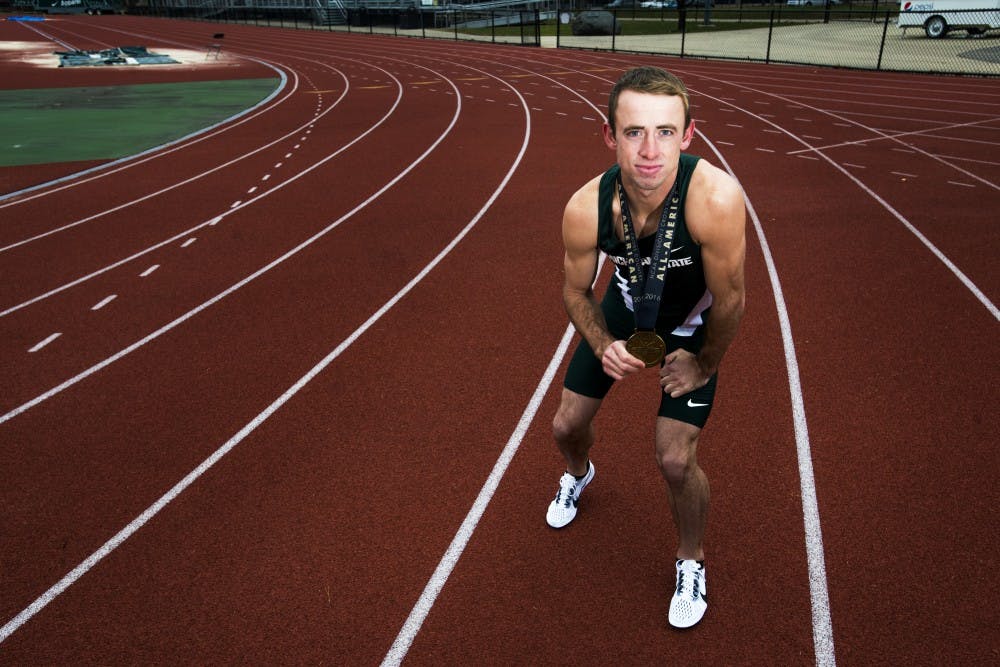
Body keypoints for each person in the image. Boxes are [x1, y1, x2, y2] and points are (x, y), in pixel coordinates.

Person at [546, 66, 746, 629]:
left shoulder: (717, 200)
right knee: (564, 428)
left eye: (665, 131)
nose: (650, 150)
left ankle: (691, 558)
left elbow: (731, 302)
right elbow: (573, 289)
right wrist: (602, 341)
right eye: (634, 132)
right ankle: (580, 473)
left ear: (688, 135)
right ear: (611, 136)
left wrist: (703, 363)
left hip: (692, 326)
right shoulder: (587, 206)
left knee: (676, 459)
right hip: (623, 312)